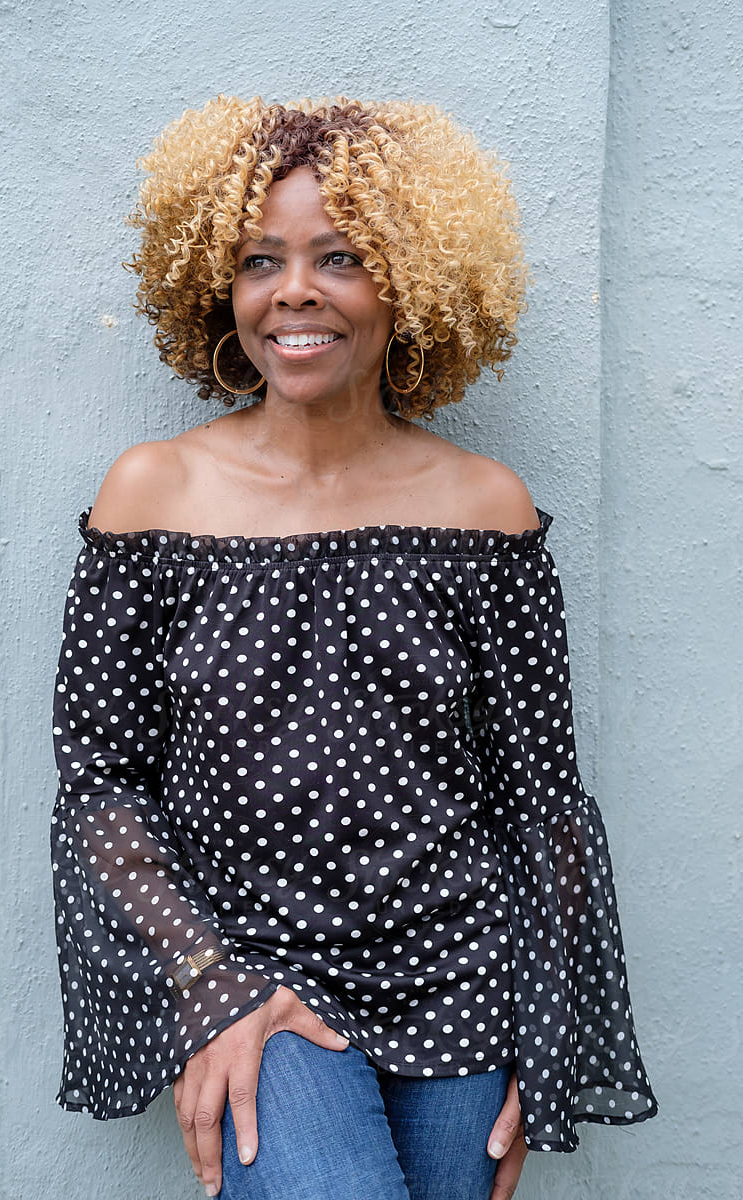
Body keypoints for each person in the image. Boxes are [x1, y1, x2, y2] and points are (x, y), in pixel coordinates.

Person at [49, 95, 659, 1200]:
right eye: (259, 260)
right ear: (219, 287)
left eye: (340, 257)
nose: (294, 290)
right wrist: (206, 979)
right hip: (253, 975)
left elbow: (540, 802)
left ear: (411, 283)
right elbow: (101, 785)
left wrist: (547, 1031)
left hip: (462, 983)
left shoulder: (485, 507)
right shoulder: (153, 494)